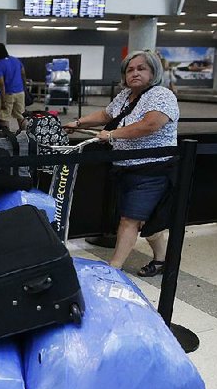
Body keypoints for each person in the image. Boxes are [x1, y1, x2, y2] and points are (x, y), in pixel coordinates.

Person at [63, 50, 179, 277]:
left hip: (152, 169)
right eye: (130, 69)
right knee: (146, 220)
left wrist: (113, 134)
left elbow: (150, 124)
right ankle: (162, 260)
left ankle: (113, 268)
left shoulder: (162, 95)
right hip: (125, 167)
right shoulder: (125, 96)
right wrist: (77, 122)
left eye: (141, 68)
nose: (134, 73)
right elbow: (106, 115)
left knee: (130, 219)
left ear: (154, 72)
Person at [0, 43, 27, 130]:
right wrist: (24, 88)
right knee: (20, 115)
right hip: (20, 92)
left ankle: (6, 138)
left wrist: (3, 100)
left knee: (5, 117)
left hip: (8, 94)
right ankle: (25, 135)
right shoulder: (16, 60)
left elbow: (1, 84)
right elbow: (23, 73)